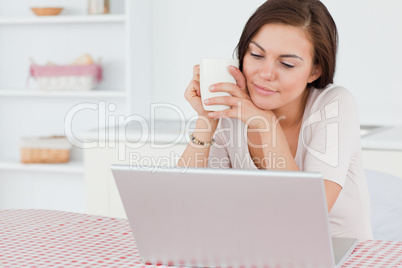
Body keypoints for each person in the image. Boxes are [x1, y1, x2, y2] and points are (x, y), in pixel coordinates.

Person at [177, 0, 373, 240]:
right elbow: (182, 207)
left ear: (315, 70)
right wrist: (206, 120)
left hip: (337, 255)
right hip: (260, 252)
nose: (266, 74)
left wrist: (266, 126)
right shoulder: (234, 109)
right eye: (257, 55)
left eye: (287, 63)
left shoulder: (334, 105)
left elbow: (304, 217)